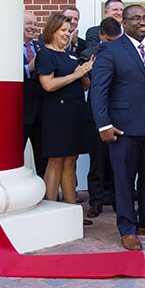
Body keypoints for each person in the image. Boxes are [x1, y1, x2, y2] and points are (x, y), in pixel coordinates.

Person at [90, 4, 145, 251]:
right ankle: (127, 229)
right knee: (125, 181)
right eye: (136, 18)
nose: (142, 22)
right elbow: (99, 90)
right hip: (123, 129)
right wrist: (104, 125)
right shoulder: (110, 49)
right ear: (124, 23)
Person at [35, 12, 93, 208]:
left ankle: (72, 211)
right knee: (56, 162)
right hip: (57, 115)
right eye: (64, 30)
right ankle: (50, 211)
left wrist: (84, 73)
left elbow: (83, 85)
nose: (68, 34)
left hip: (75, 113)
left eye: (70, 31)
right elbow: (48, 85)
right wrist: (76, 75)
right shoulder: (45, 53)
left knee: (71, 161)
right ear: (52, 30)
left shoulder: (71, 54)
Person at [81, 17, 122, 219]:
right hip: (94, 117)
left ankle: (118, 200)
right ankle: (96, 202)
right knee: (96, 163)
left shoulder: (125, 53)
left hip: (119, 115)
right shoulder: (87, 56)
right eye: (108, 41)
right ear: (100, 36)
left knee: (118, 162)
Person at [22, 11, 46, 178]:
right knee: (15, 157)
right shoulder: (7, 48)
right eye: (29, 23)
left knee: (42, 158)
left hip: (41, 113)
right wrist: (27, 69)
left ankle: (45, 194)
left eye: (35, 24)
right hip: (20, 114)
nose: (33, 27)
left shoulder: (40, 47)